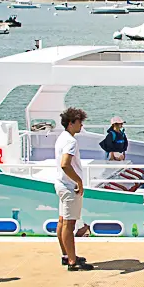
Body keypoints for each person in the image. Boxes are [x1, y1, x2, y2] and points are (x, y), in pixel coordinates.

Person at [55, 107, 92, 271]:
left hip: (61, 185)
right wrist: (79, 181)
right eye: (79, 123)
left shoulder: (61, 138)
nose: (81, 126)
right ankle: (72, 261)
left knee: (62, 221)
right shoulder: (71, 141)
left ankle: (66, 255)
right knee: (69, 225)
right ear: (71, 123)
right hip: (70, 187)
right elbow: (65, 164)